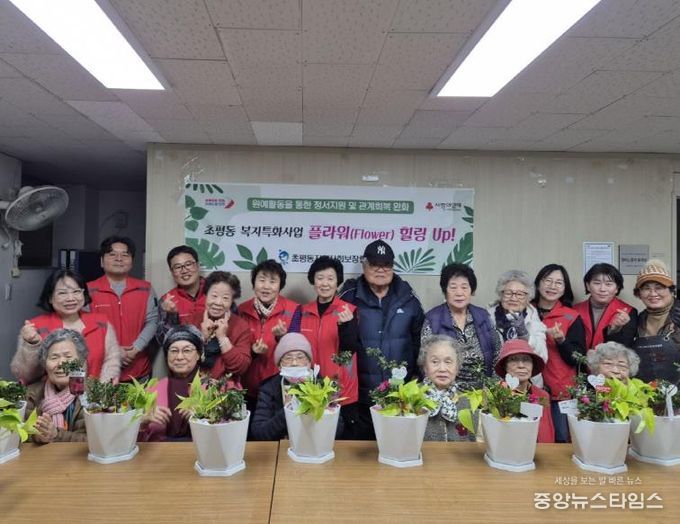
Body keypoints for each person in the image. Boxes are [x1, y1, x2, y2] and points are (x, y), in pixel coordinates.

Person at [339, 239, 424, 440]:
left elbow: (419, 342)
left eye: (386, 265)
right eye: (374, 264)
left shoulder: (409, 298)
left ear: (392, 267)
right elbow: (338, 347)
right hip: (360, 398)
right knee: (361, 453)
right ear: (364, 266)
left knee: (397, 449)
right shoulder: (348, 296)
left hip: (399, 395)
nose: (380, 270)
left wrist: (415, 380)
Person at [12, 269, 120, 384]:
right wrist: (31, 345)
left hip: (94, 393)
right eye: (62, 293)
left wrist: (100, 390)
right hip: (49, 394)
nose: (70, 298)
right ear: (50, 298)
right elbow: (25, 375)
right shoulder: (35, 327)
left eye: (76, 291)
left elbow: (112, 361)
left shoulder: (101, 323)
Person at [289, 256, 361, 407]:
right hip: (309, 388)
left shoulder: (349, 310)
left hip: (341, 391)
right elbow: (291, 345)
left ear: (337, 282)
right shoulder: (302, 311)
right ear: (313, 281)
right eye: (320, 278)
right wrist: (279, 337)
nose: (325, 283)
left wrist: (346, 326)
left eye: (330, 278)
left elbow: (350, 349)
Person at [87, 236, 158, 382]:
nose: (119, 259)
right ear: (102, 261)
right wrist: (114, 351)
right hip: (102, 373)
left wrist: (136, 348)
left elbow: (153, 321)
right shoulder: (88, 290)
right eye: (112, 254)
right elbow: (85, 328)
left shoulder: (145, 288)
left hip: (139, 371)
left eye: (125, 254)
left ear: (132, 261)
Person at [422, 263, 501, 391]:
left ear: (471, 291)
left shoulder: (484, 316)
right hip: (447, 393)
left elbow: (498, 355)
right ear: (445, 291)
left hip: (484, 392)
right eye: (453, 287)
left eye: (464, 287)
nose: (459, 293)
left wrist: (493, 390)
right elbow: (425, 361)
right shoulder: (432, 319)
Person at [532, 264, 586, 442]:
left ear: (564, 289)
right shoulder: (526, 311)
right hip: (528, 385)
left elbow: (578, 358)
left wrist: (562, 341)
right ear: (538, 284)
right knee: (530, 435)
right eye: (547, 281)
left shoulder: (571, 316)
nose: (552, 286)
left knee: (561, 438)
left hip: (560, 391)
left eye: (558, 283)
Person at [238, 260, 298, 405]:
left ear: (280, 286)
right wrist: (252, 352)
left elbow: (298, 350)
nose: (266, 286)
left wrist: (282, 338)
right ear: (254, 283)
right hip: (247, 387)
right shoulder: (241, 310)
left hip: (280, 388)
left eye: (272, 281)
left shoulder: (294, 309)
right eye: (261, 280)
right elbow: (236, 350)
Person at [140, 326, 205, 441]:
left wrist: (202, 419)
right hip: (159, 450)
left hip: (201, 450)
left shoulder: (211, 389)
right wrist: (143, 422)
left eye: (187, 351)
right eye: (174, 351)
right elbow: (135, 441)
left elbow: (225, 436)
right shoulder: (153, 389)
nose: (179, 357)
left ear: (198, 355)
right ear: (166, 356)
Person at [25, 329, 89, 443]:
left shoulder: (92, 394)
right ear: (45, 364)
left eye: (68, 357)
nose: (61, 364)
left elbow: (92, 439)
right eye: (54, 358)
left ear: (81, 362)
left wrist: (56, 435)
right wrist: (36, 437)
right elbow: (17, 433)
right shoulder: (32, 394)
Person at [251, 333, 318, 440]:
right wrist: (286, 411)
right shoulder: (268, 389)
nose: (294, 363)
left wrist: (317, 405)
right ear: (279, 365)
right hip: (281, 446)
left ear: (309, 362)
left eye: (300, 357)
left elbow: (337, 429)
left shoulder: (322, 385)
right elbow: (259, 432)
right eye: (288, 358)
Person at [194, 271, 252, 382]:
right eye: (214, 296)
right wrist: (202, 337)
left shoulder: (241, 326)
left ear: (232, 301)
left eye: (225, 298)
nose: (218, 302)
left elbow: (241, 368)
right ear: (206, 295)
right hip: (192, 385)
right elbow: (181, 360)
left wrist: (222, 338)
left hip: (225, 388)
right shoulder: (192, 320)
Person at [495, 339, 555, 443]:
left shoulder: (542, 396)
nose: (521, 365)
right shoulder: (494, 395)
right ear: (505, 366)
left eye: (526, 360)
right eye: (514, 360)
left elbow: (547, 432)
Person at [418, 335, 476, 442]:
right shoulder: (411, 398)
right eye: (435, 362)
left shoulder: (469, 402)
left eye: (448, 362)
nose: (442, 369)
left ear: (457, 368)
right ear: (425, 367)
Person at [631, 260, 680, 383]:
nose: (653, 294)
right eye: (646, 288)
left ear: (671, 290)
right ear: (639, 294)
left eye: (659, 288)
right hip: (646, 387)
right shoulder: (638, 319)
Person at [488, 270, 547, 363]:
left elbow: (543, 357)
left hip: (523, 370)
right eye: (508, 293)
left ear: (528, 298)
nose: (513, 298)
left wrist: (525, 335)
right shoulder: (486, 317)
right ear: (501, 295)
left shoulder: (533, 320)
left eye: (520, 294)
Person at [574, 263, 637, 349]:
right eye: (597, 283)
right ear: (588, 286)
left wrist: (614, 331)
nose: (602, 289)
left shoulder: (628, 313)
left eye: (608, 284)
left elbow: (625, 348)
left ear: (617, 288)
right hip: (578, 357)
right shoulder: (574, 310)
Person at [157, 245, 206, 340]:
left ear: (197, 265)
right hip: (182, 349)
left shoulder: (217, 293)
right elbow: (161, 339)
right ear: (172, 272)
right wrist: (171, 316)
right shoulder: (166, 301)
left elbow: (234, 330)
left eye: (188, 264)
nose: (184, 270)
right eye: (178, 267)